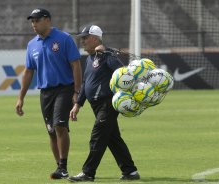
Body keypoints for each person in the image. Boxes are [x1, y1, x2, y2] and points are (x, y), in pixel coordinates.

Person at [15, 8, 82, 180]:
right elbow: (29, 72)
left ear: (47, 20)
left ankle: (63, 166)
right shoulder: (32, 45)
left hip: (64, 89)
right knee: (51, 131)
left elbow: (76, 65)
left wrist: (76, 91)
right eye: (32, 21)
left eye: (37, 20)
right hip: (45, 92)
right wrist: (20, 98)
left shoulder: (64, 39)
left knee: (60, 125)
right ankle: (60, 167)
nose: (34, 24)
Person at [67, 25, 140, 182]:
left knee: (97, 137)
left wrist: (106, 52)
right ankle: (130, 172)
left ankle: (88, 172)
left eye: (85, 38)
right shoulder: (89, 59)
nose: (83, 41)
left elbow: (123, 74)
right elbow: (87, 83)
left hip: (108, 103)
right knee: (113, 139)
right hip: (96, 105)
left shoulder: (107, 56)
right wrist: (77, 104)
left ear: (95, 38)